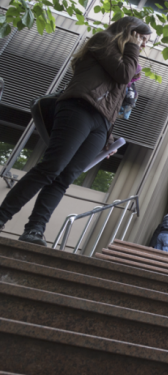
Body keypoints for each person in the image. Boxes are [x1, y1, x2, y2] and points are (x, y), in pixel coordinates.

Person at [0, 17, 150, 245]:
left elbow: (113, 102)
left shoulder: (124, 58)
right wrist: (132, 46)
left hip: (101, 124)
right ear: (131, 32)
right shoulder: (104, 40)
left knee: (64, 178)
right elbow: (123, 75)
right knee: (51, 168)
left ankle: (34, 229)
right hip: (79, 108)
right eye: (143, 39)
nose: (144, 46)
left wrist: (108, 139)